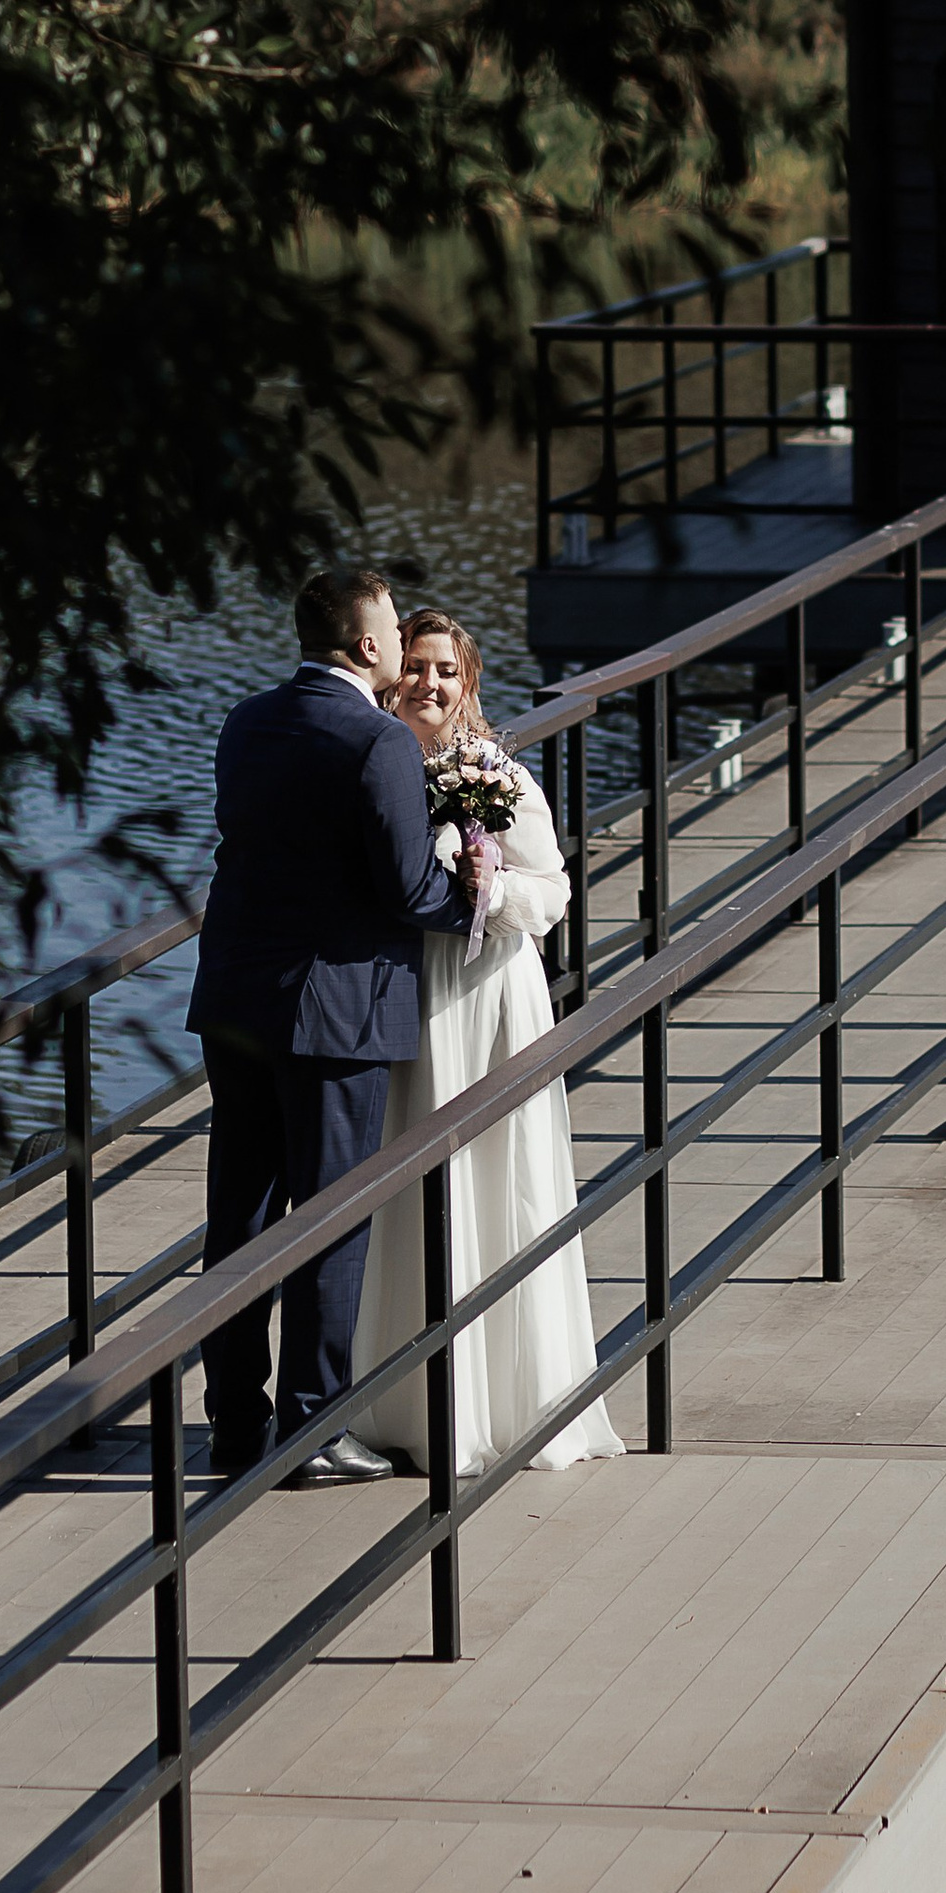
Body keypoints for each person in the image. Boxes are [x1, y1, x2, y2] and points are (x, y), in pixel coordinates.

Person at [186, 562, 499, 1485]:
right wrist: (471, 897)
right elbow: (407, 888)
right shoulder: (378, 743)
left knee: (238, 1222)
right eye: (396, 629)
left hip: (237, 1000)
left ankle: (235, 1425)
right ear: (368, 646)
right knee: (330, 1221)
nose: (406, 644)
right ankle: (314, 1428)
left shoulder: (247, 721)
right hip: (337, 1016)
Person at [354, 610, 623, 1477]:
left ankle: (502, 1399)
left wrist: (490, 886)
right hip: (408, 999)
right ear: (392, 679)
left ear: (467, 686)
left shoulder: (497, 774)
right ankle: (401, 1400)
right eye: (416, 668)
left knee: (496, 1177)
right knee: (408, 1180)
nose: (428, 685)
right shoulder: (372, 767)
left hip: (487, 995)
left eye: (446, 672)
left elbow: (554, 894)